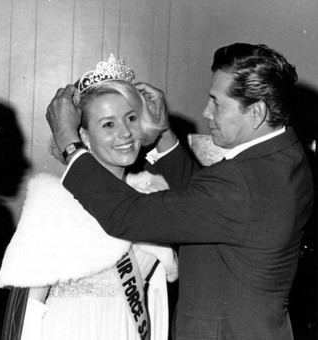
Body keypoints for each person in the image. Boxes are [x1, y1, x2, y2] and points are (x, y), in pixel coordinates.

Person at [46, 43, 314, 339]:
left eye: (217, 103)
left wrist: (69, 143)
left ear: (256, 112)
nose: (206, 112)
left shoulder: (241, 183)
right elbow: (203, 202)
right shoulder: (285, 155)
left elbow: (125, 215)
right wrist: (163, 134)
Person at [0, 55, 178, 340]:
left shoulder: (151, 192)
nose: (125, 133)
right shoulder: (54, 203)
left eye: (131, 118)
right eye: (108, 124)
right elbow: (29, 306)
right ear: (84, 135)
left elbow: (155, 298)